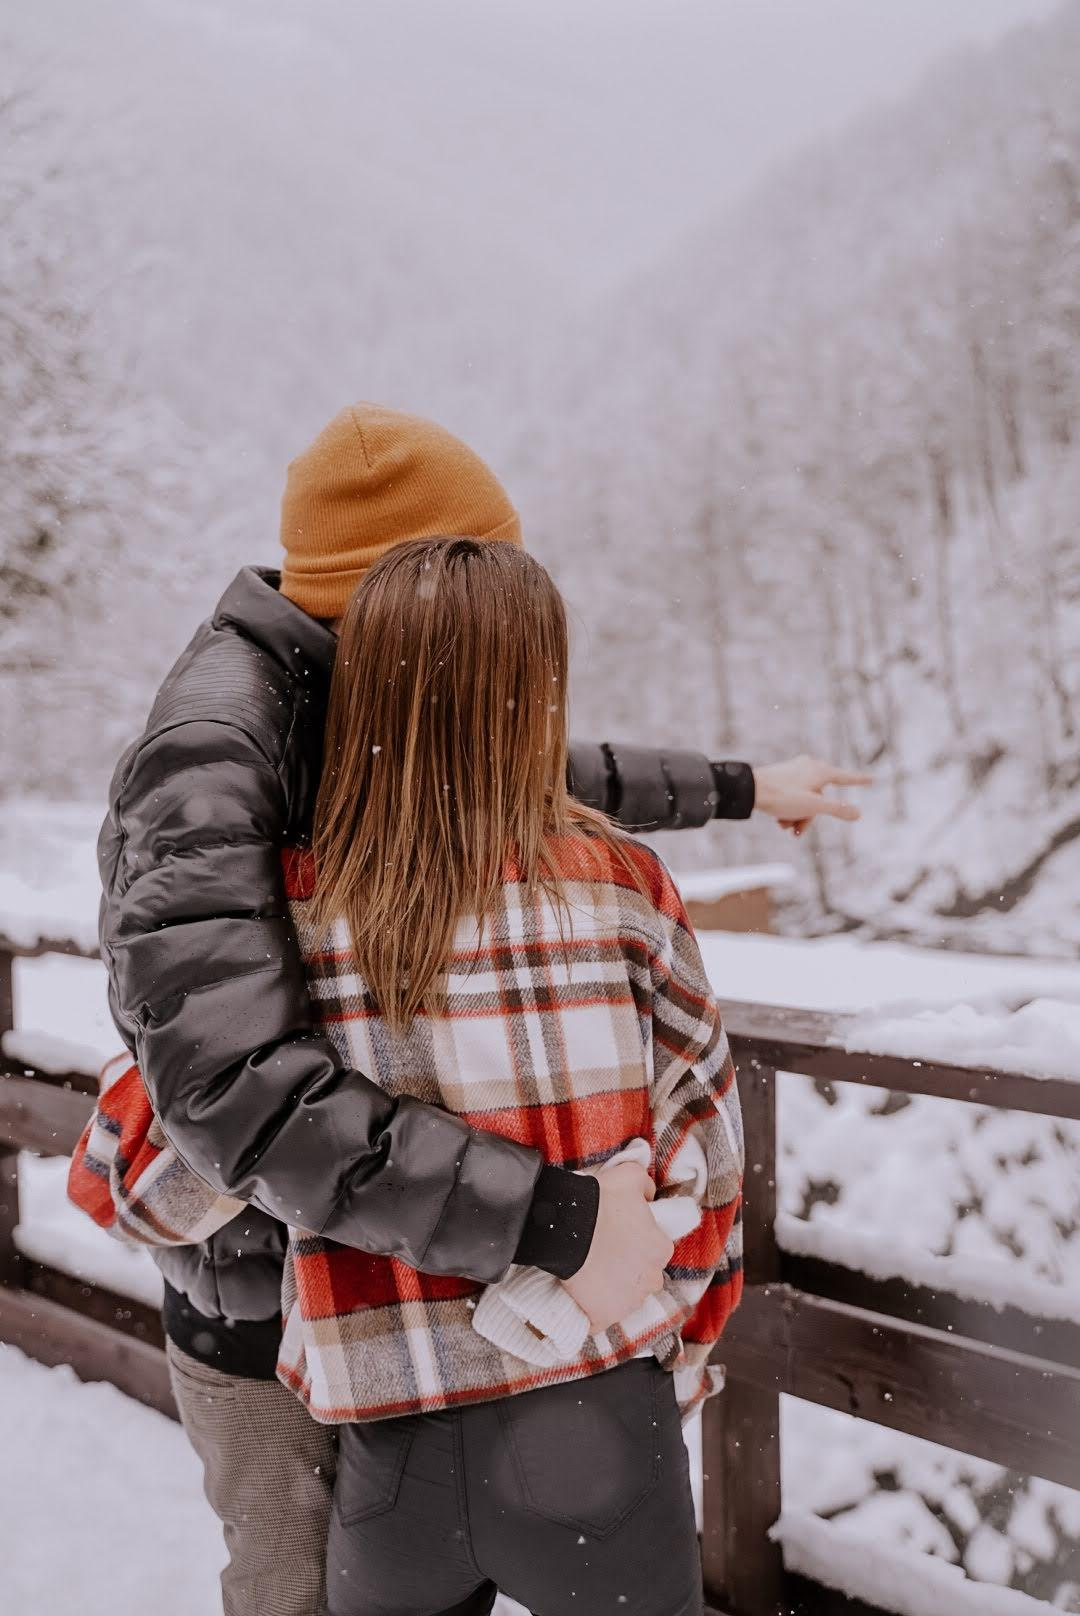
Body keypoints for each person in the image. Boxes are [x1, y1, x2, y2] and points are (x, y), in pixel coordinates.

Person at [89, 403, 868, 1614]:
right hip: (264, 1307)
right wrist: (570, 1226)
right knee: (286, 1590)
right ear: (405, 596)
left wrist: (741, 786)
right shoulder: (213, 755)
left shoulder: (348, 696)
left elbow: (512, 760)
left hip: (369, 1338)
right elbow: (228, 1098)